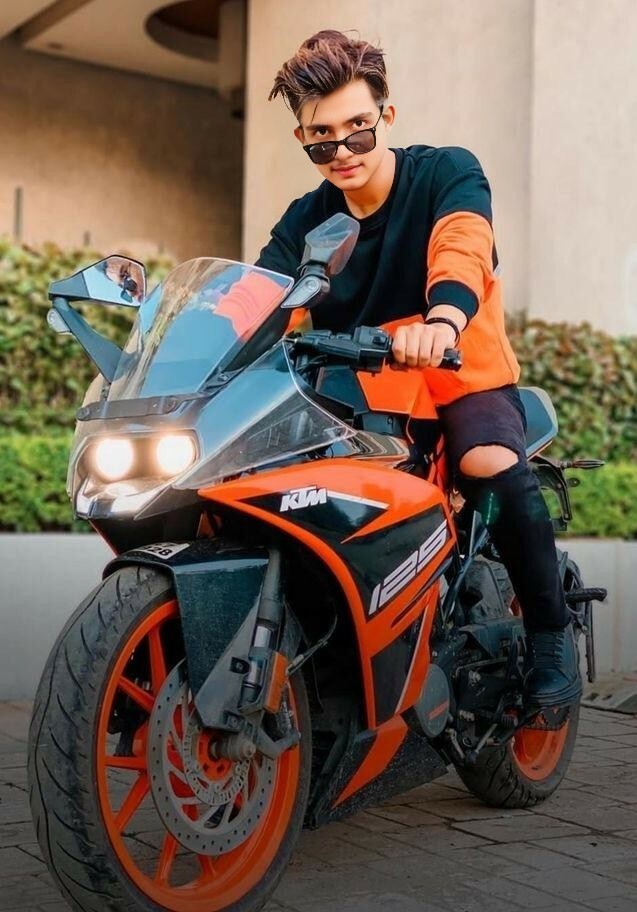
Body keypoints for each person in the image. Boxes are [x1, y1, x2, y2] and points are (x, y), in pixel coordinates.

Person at [255, 29, 580, 709]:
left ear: (386, 116)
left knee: (488, 461)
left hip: (456, 372)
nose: (342, 151)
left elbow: (462, 246)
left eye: (357, 129)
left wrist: (443, 321)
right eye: (321, 138)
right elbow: (258, 298)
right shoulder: (305, 220)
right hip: (356, 391)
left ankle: (550, 634)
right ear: (302, 139)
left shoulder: (445, 172)